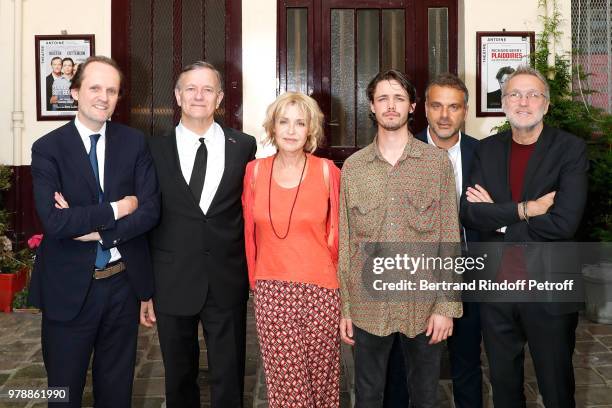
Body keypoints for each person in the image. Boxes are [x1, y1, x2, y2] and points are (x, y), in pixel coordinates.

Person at [29, 55, 161, 407]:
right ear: (75, 92)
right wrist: (118, 208)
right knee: (63, 393)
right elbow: (56, 223)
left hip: (122, 285)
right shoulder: (47, 149)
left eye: (112, 90)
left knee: (117, 392)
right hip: (68, 289)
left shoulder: (134, 143)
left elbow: (149, 211)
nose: (104, 97)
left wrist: (100, 233)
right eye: (95, 88)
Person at [460, 65, 588, 408]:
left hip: (550, 288)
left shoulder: (570, 149)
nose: (523, 102)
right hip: (498, 289)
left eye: (533, 94)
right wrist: (527, 209)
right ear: (503, 103)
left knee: (556, 386)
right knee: (503, 387)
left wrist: (498, 218)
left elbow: (565, 222)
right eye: (514, 94)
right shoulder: (486, 151)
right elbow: (470, 213)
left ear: (546, 104)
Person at [338, 69, 462, 408]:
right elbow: (347, 244)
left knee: (423, 397)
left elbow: (449, 236)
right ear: (372, 107)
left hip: (422, 307)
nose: (390, 106)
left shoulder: (436, 164)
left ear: (412, 107)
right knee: (367, 397)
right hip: (367, 306)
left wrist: (446, 306)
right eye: (382, 98)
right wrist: (346, 308)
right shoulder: (353, 167)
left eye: (399, 98)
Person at [147, 61, 257, 408]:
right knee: (179, 377)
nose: (199, 95)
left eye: (208, 89)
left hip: (226, 279)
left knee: (229, 374)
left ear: (220, 98)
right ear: (178, 96)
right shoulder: (151, 150)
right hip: (171, 278)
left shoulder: (244, 146)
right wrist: (144, 286)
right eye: (191, 88)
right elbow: (146, 218)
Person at [385, 73, 482, 408]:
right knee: (401, 367)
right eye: (437, 105)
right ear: (424, 109)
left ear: (465, 111)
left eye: (453, 107)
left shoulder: (483, 155)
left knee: (467, 362)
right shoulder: (400, 153)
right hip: (413, 278)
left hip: (469, 272)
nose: (444, 115)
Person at [242, 92, 341, 407]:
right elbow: (248, 234)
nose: (291, 130)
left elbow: (339, 235)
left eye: (300, 123)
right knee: (288, 389)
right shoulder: (254, 172)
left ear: (311, 130)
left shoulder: (327, 172)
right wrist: (254, 284)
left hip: (322, 291)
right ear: (273, 126)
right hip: (272, 291)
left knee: (322, 384)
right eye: (284, 121)